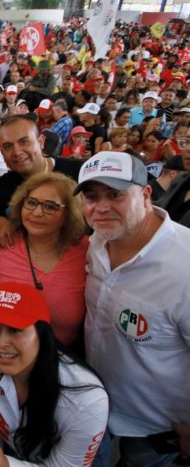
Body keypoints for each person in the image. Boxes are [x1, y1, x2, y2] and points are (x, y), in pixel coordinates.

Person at [75, 151, 190, 466]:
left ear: (146, 194)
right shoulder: (96, 241)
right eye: (91, 196)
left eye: (116, 195)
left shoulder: (185, 264)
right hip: (97, 412)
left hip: (155, 432)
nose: (101, 207)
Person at [0, 282, 108, 466]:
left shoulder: (87, 401)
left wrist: (7, 464)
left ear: (41, 334)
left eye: (16, 329)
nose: (1, 343)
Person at [0, 172, 88, 346]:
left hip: (64, 359)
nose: (37, 212)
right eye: (31, 203)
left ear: (69, 213)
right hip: (4, 354)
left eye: (50, 206)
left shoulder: (86, 251)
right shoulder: (0, 242)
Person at [0, 115, 83, 248]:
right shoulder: (2, 186)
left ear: (41, 141)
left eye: (24, 142)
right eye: (8, 146)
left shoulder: (78, 172)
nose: (16, 152)